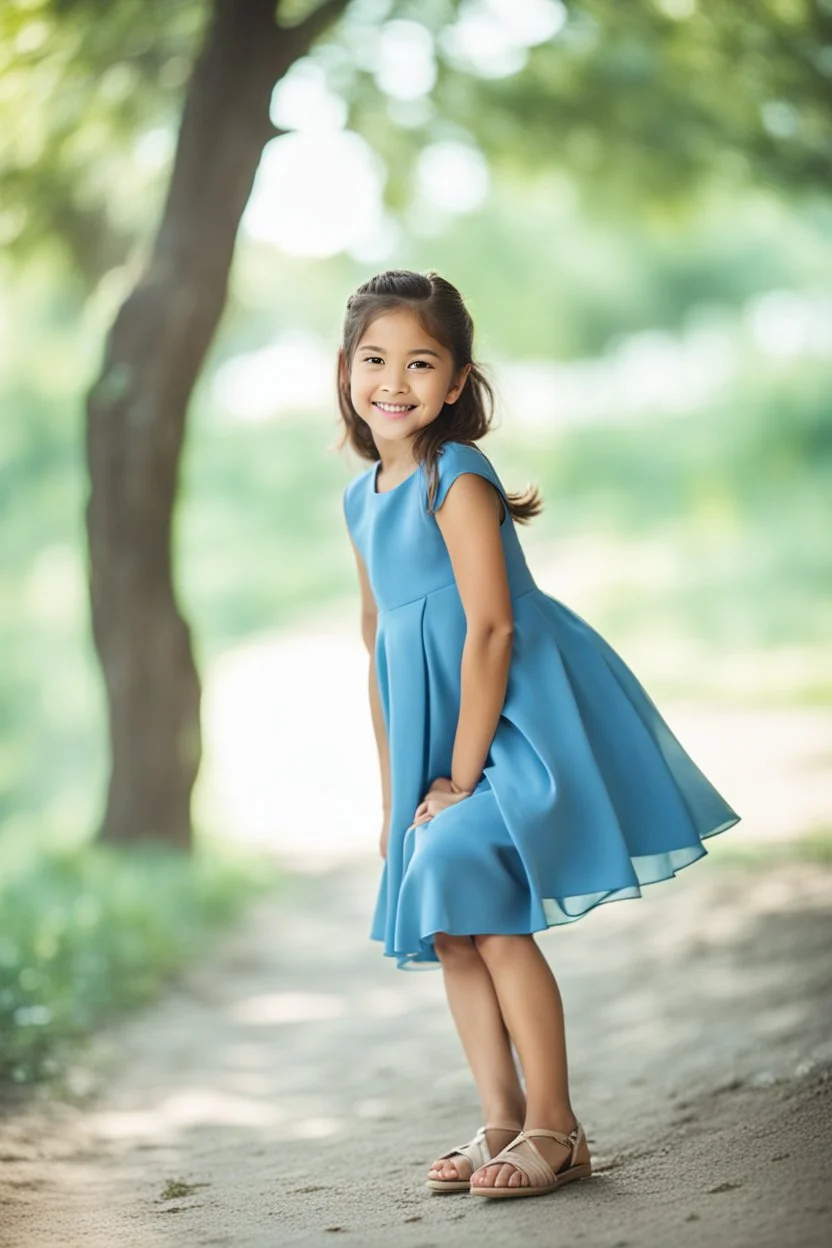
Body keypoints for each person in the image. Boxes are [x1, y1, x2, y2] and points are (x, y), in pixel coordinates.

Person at [338, 269, 740, 1200]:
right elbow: (378, 642)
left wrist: (464, 778)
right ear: (346, 370)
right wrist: (400, 785)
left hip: (516, 721)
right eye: (372, 359)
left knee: (485, 898)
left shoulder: (453, 473)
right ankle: (503, 1120)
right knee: (446, 912)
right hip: (435, 740)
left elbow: (491, 630)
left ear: (455, 381)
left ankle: (557, 1128)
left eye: (418, 363)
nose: (392, 382)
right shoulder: (363, 498)